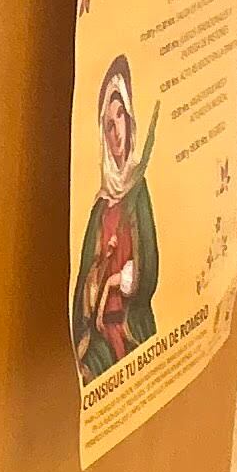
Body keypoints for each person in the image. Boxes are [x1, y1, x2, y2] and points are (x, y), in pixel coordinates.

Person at [70, 53, 162, 377]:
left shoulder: (139, 192)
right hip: (99, 333)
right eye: (108, 125)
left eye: (119, 116)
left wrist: (115, 280)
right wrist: (98, 277)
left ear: (130, 118)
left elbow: (148, 265)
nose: (116, 132)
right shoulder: (100, 208)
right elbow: (83, 279)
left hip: (130, 325)